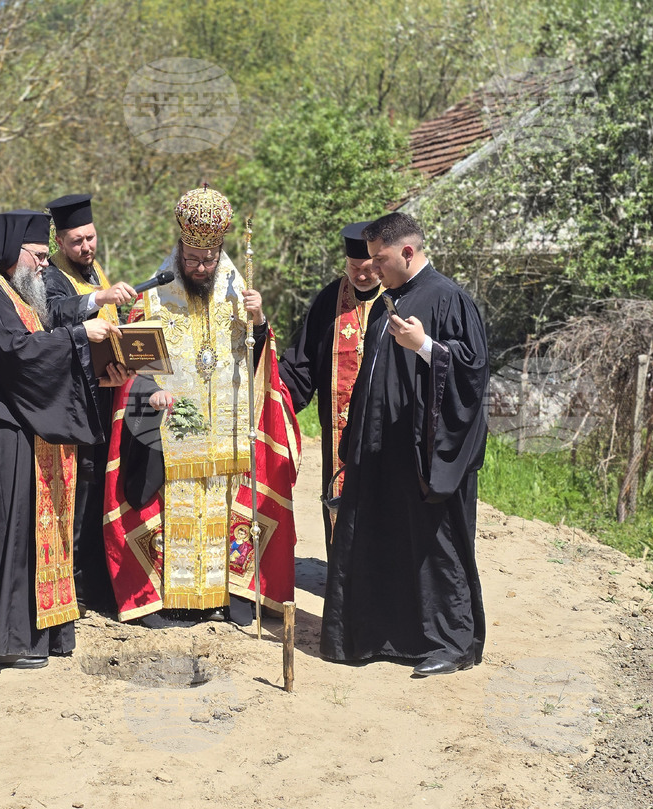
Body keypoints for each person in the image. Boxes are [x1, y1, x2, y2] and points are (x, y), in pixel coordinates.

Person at [103, 185, 300, 627]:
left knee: (222, 509)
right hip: (175, 431)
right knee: (177, 509)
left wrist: (260, 321)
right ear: (180, 247)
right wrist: (149, 389)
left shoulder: (239, 291)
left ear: (220, 250)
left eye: (208, 259)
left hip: (228, 432)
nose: (200, 267)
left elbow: (260, 362)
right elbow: (137, 361)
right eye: (192, 259)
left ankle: (223, 598)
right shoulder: (155, 294)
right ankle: (174, 601)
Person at [0, 210, 129, 668]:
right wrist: (76, 338)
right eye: (40, 256)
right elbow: (18, 355)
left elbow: (38, 345)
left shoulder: (18, 296)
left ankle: (26, 636)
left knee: (22, 537)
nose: (46, 266)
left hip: (20, 438)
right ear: (13, 252)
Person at [320, 211, 489, 676]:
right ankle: (384, 637)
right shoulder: (386, 303)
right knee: (381, 540)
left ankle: (452, 643)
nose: (371, 268)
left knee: (435, 545)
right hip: (381, 450)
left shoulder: (449, 298)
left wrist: (425, 346)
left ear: (407, 252)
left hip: (422, 453)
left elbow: (473, 376)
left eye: (380, 258)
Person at [43, 193, 135, 612]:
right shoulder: (52, 276)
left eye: (91, 238)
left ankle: (100, 584)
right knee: (79, 499)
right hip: (73, 408)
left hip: (105, 398)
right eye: (77, 241)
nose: (86, 247)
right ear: (60, 242)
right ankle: (74, 588)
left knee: (101, 494)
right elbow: (56, 313)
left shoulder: (94, 269)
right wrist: (99, 299)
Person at [278, 221, 381, 557]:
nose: (362, 277)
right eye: (354, 269)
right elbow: (302, 363)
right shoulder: (329, 300)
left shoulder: (399, 297)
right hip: (340, 432)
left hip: (387, 429)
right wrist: (274, 393)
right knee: (341, 497)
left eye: (368, 269)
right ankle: (341, 583)